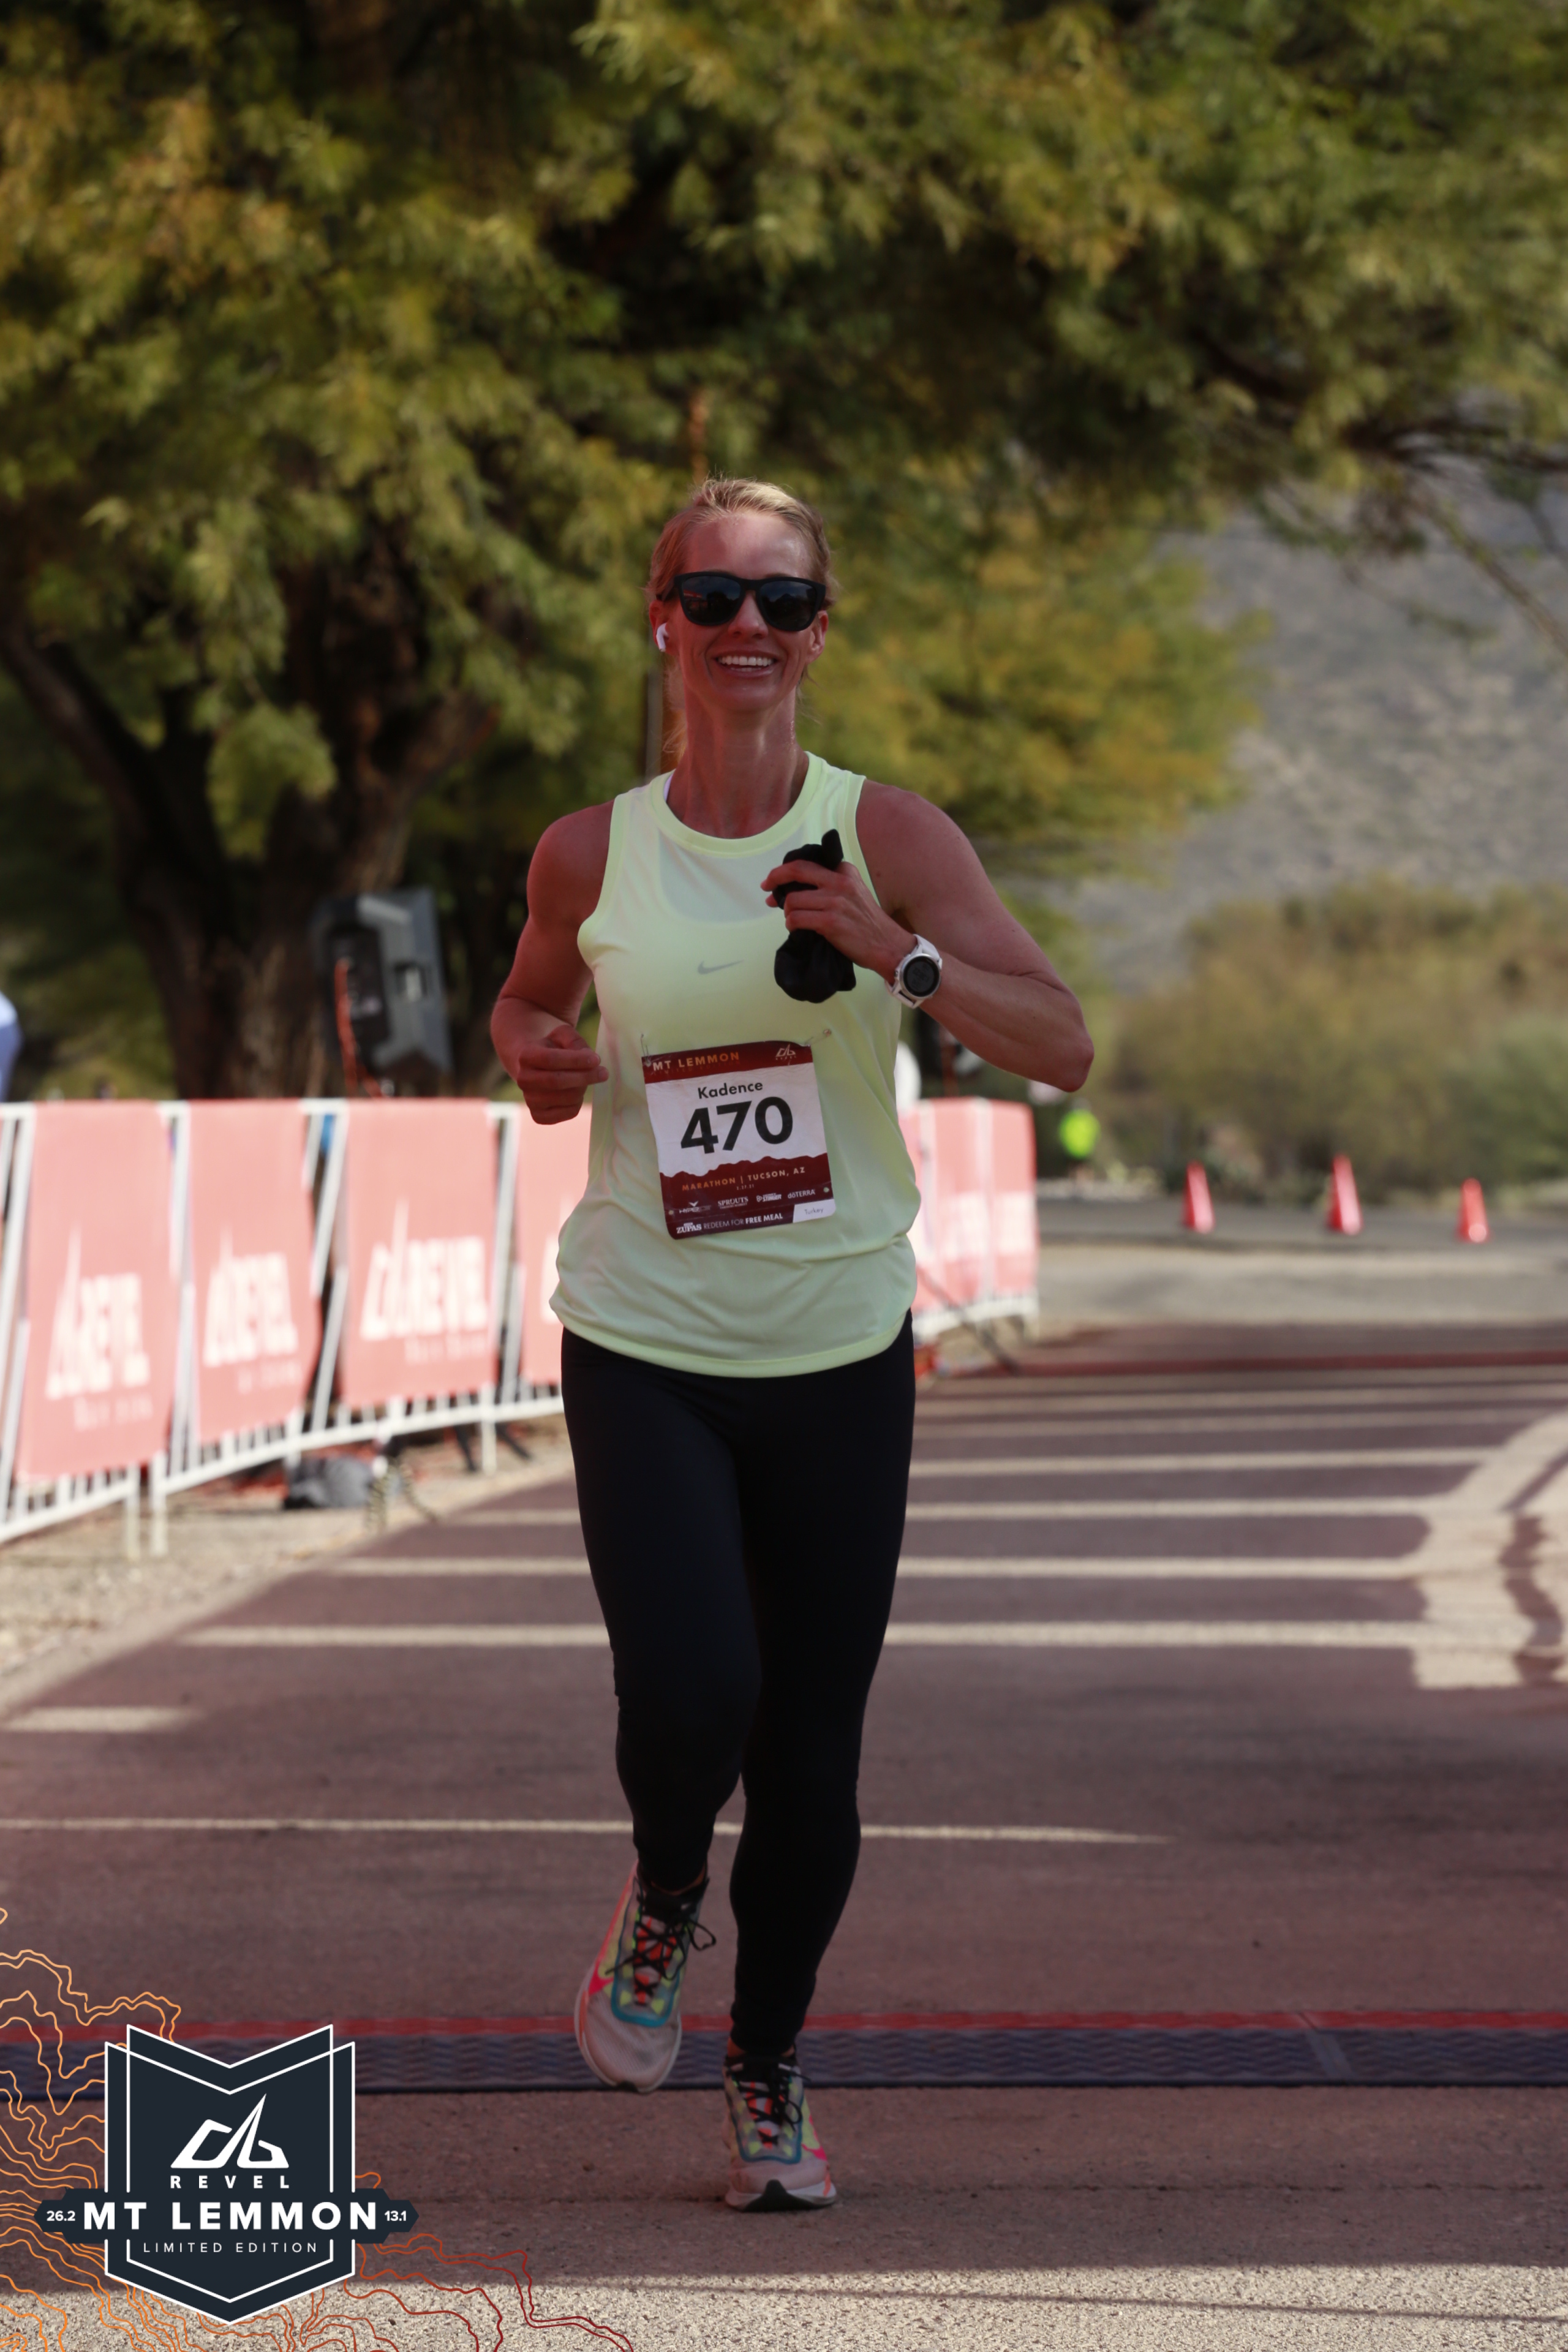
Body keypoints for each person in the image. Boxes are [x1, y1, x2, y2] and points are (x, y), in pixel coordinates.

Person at [491, 477, 1092, 2211]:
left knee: (813, 1756)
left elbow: (1062, 1043)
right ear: (661, 624)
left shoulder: (889, 832)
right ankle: (666, 1890)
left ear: (820, 636)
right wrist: (536, 1057)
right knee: (694, 1689)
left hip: (836, 1350)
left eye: (782, 601)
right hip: (645, 1339)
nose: (745, 626)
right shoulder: (590, 851)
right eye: (712, 597)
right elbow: (531, 1002)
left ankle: (766, 2067)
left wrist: (900, 957)